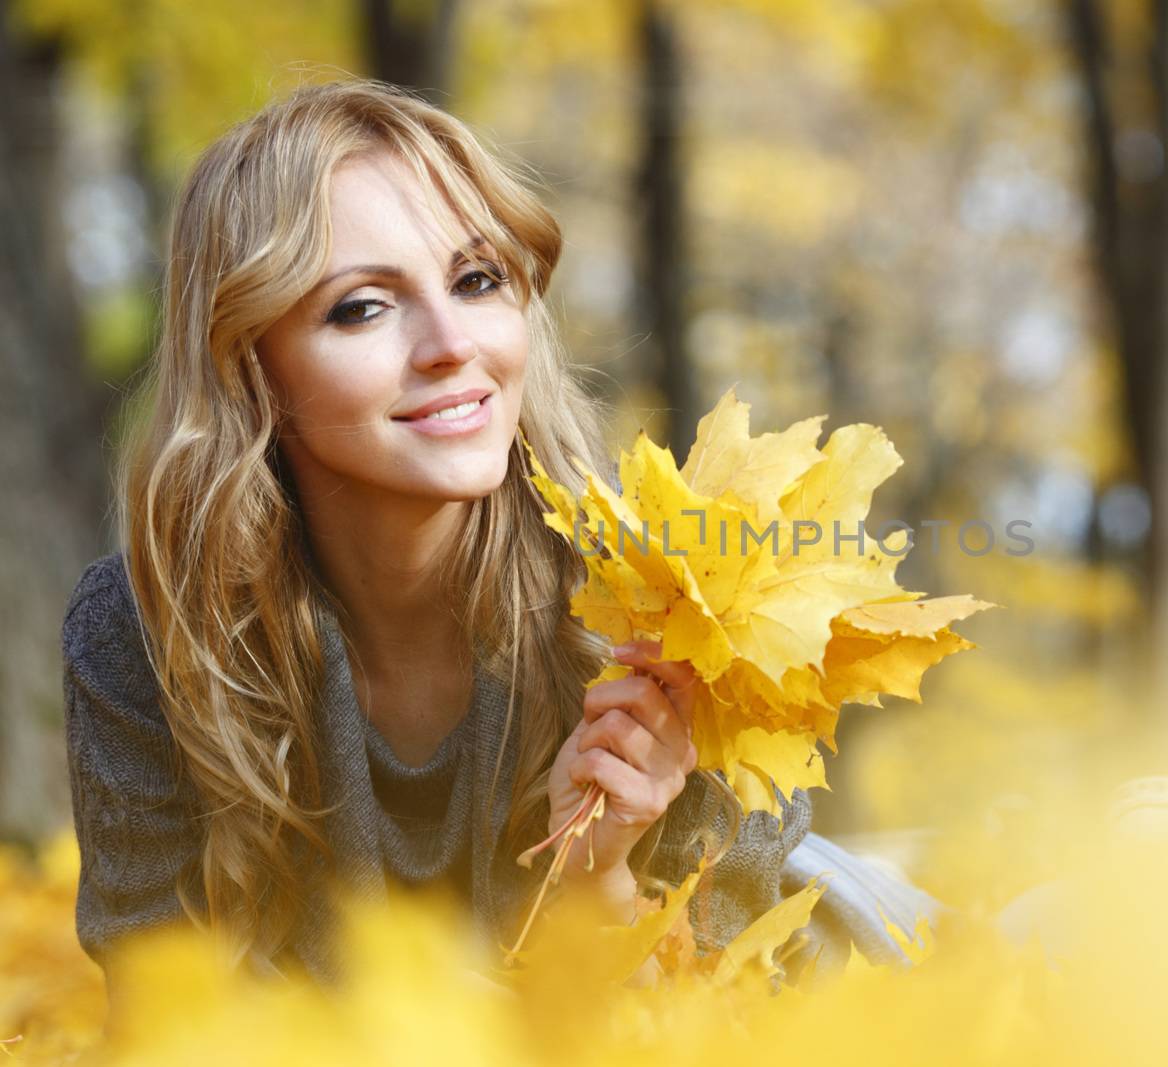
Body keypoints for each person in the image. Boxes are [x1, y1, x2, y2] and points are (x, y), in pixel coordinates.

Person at [59, 79, 811, 1001]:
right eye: (363, 307)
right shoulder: (148, 635)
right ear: (249, 366)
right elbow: (161, 1023)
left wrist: (597, 882)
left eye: (477, 279)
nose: (450, 343)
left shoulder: (686, 612)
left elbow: (740, 1031)